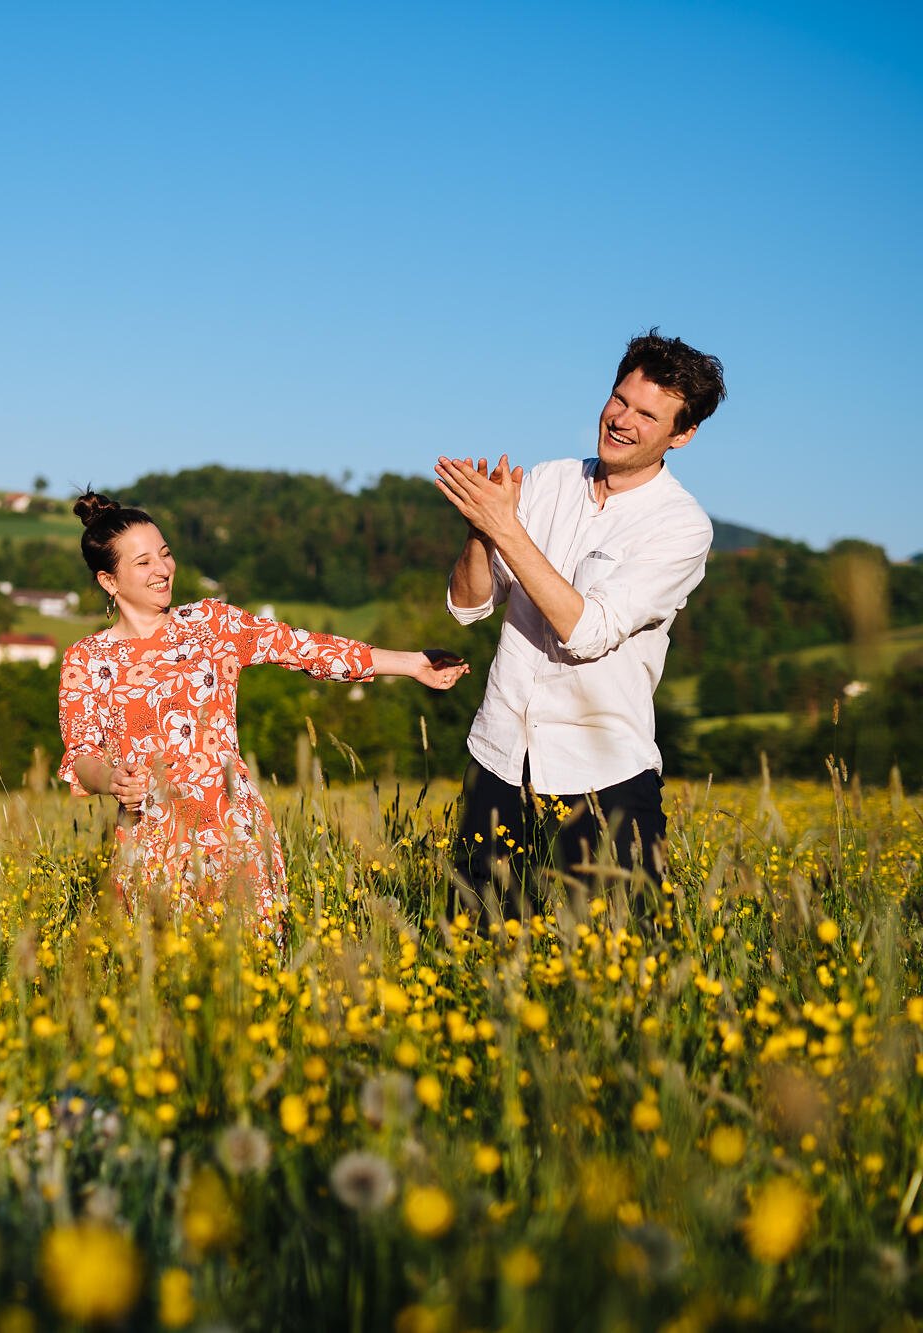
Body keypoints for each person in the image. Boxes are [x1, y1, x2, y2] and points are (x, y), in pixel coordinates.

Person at [57, 491, 468, 923]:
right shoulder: (85, 659)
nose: (162, 570)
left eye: (165, 554)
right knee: (160, 979)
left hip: (235, 833)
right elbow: (82, 756)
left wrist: (412, 664)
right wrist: (112, 780)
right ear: (110, 581)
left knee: (257, 970)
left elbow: (306, 649)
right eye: (143, 563)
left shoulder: (212, 624)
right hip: (148, 841)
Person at [434, 330, 725, 915]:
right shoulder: (548, 481)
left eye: (648, 414)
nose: (623, 420)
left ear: (683, 435)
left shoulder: (681, 526)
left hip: (602, 767)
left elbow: (588, 632)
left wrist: (508, 530)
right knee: (475, 945)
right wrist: (479, 529)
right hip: (500, 751)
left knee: (627, 957)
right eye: (620, 400)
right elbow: (467, 606)